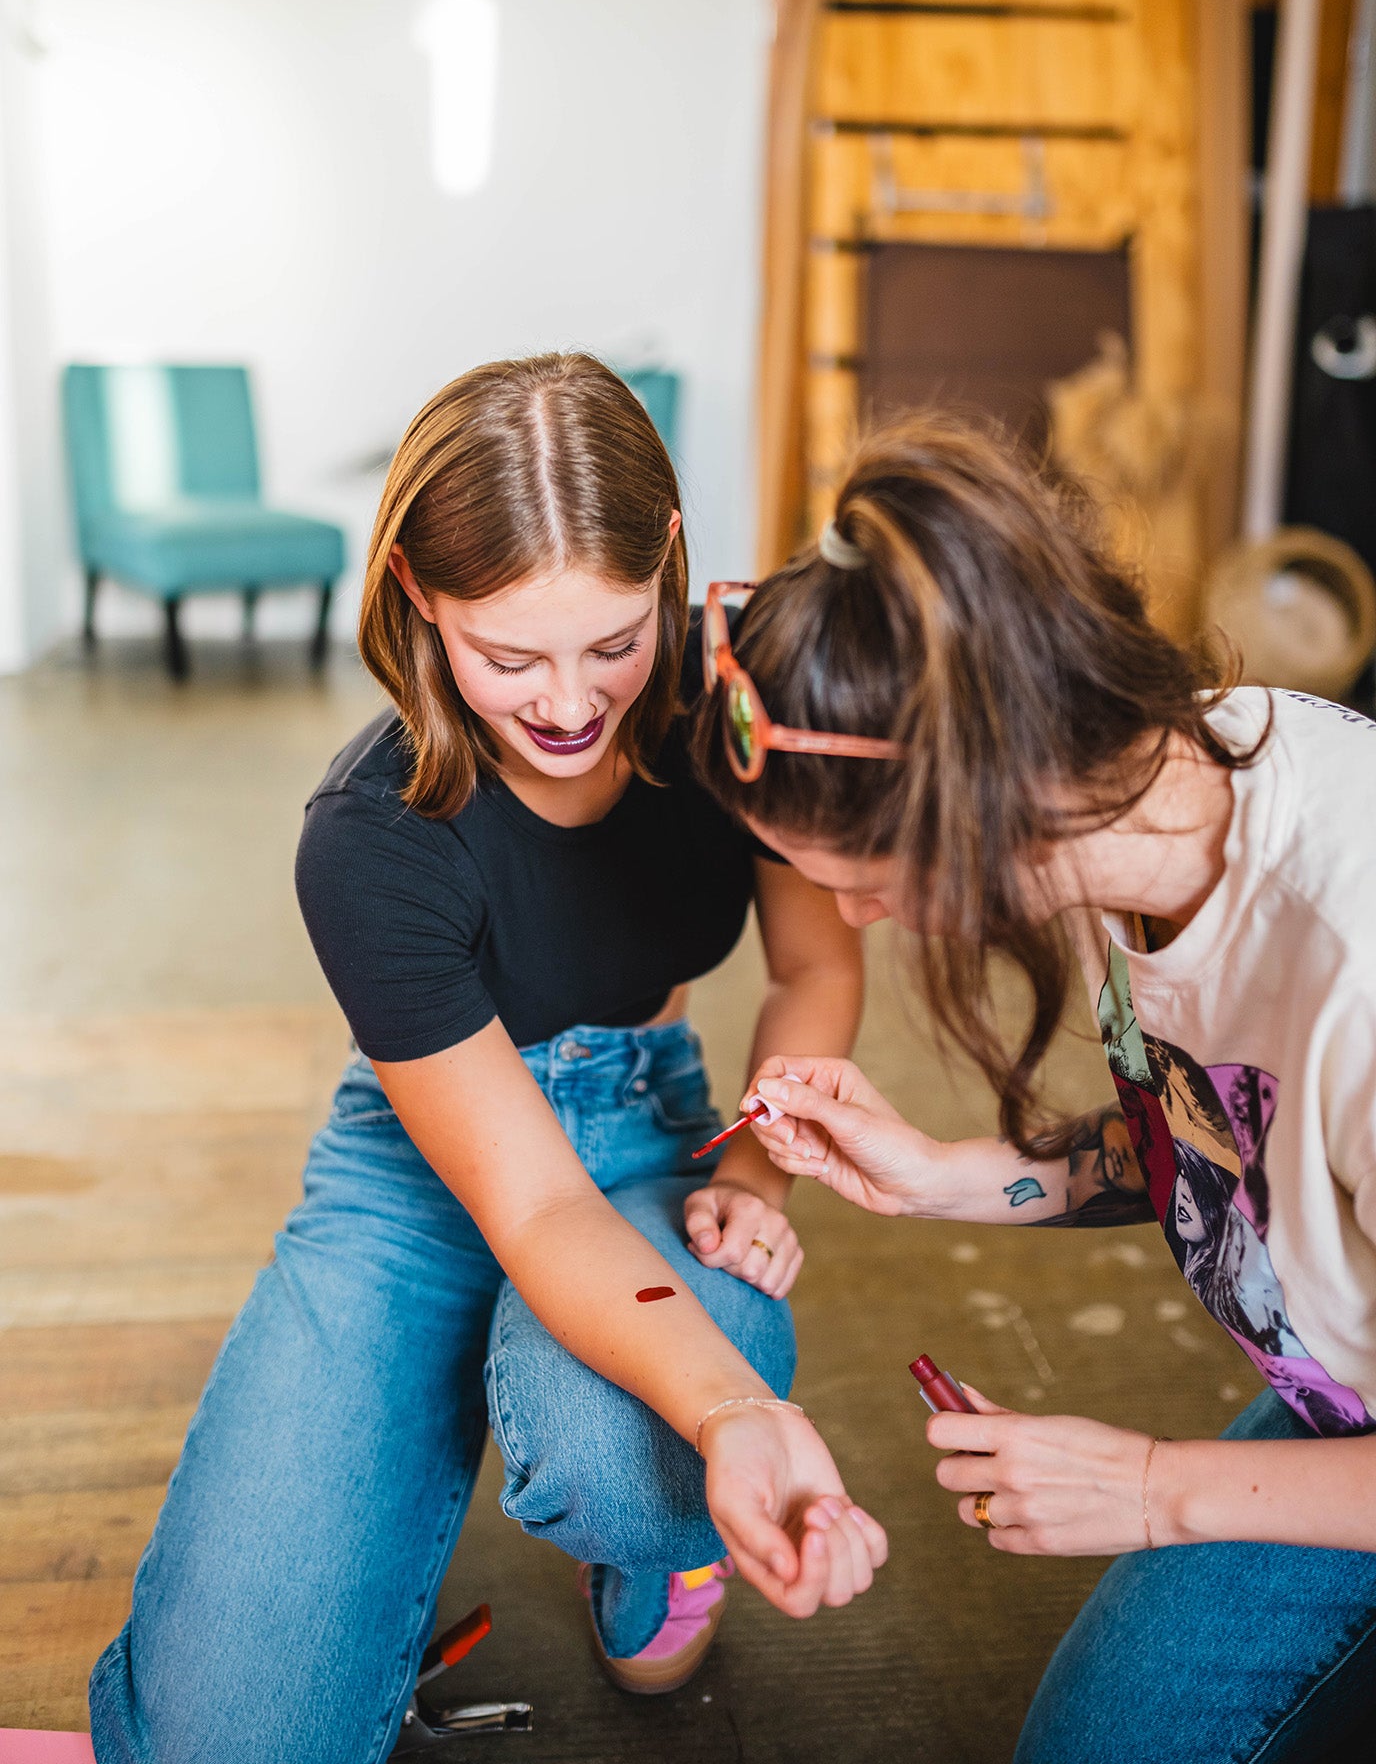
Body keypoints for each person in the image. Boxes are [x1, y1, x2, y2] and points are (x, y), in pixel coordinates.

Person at [89, 354, 885, 1764]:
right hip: (423, 1162)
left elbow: (820, 967)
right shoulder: (369, 834)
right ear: (415, 594)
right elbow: (527, 1206)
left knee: (629, 1467)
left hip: (651, 1123)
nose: (574, 703)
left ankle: (638, 1537)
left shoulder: (738, 698)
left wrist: (758, 1168)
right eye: (511, 656)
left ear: (671, 569)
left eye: (614, 642)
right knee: (223, 1742)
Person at [691, 415, 1376, 1763]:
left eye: (861, 880)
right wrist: (963, 1175)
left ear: (983, 805)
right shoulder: (1153, 795)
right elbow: (1233, 1133)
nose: (857, 917)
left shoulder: (1353, 950)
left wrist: (1155, 1487)